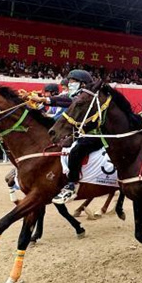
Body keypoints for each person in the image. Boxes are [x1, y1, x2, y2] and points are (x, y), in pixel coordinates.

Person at [52, 69, 102, 204]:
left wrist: (45, 100)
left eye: (73, 81)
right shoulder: (77, 96)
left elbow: (65, 102)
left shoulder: (86, 98)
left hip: (97, 135)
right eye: (70, 81)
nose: (70, 84)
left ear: (84, 85)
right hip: (81, 134)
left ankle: (72, 184)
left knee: (76, 151)